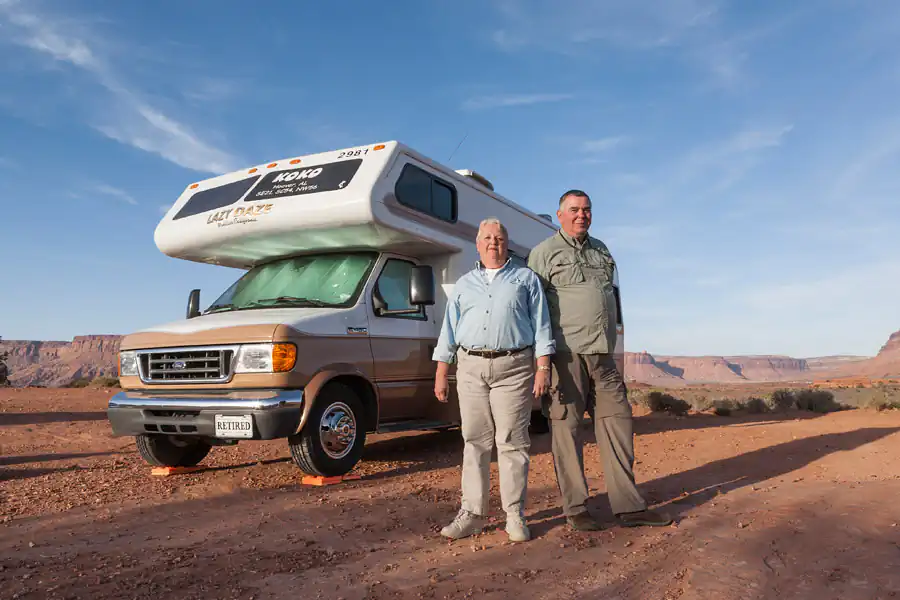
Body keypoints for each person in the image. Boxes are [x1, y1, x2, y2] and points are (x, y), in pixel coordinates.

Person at [527, 189, 672, 531]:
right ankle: (576, 508)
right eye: (574, 210)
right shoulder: (544, 253)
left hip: (603, 356)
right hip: (566, 356)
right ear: (560, 214)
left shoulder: (601, 250)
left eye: (587, 209)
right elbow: (533, 310)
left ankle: (629, 507)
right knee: (567, 431)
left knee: (618, 423)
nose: (582, 215)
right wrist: (541, 362)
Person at [433, 217, 555, 543]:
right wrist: (442, 372)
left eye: (498, 238)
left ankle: (514, 515)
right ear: (477, 244)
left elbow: (542, 326)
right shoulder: (464, 284)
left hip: (514, 368)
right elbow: (449, 330)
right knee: (474, 441)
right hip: (470, 367)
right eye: (487, 238)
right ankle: (472, 513)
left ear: (507, 243)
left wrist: (543, 368)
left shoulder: (526, 279)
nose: (493, 243)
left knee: (512, 441)